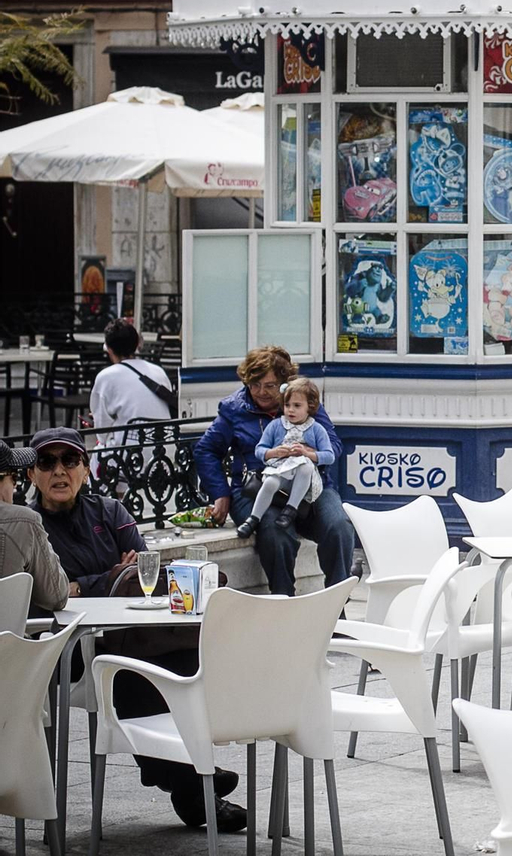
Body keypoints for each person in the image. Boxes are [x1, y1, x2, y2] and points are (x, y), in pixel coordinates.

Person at [28, 426, 246, 831]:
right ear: (32, 475)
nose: (59, 471)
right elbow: (54, 593)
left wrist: (87, 581)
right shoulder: (31, 525)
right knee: (130, 667)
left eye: (69, 460)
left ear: (85, 468)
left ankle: (189, 780)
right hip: (70, 646)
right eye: (47, 462)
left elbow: (144, 573)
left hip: (134, 634)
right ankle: (195, 780)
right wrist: (109, 576)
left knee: (178, 660)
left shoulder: (110, 511)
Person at [194, 346, 356, 596]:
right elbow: (205, 450)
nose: (261, 392)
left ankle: (336, 604)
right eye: (254, 384)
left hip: (308, 483)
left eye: (269, 385)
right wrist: (220, 493)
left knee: (339, 526)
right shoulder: (234, 409)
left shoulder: (301, 401)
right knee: (276, 534)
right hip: (257, 488)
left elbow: (333, 445)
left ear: (284, 383)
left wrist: (309, 452)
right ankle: (283, 600)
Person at [239, 378, 335, 539]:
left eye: (297, 406)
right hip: (281, 469)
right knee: (270, 483)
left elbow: (329, 455)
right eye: (287, 405)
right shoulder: (277, 425)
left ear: (310, 407)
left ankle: (291, 509)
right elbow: (260, 450)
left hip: (303, 478)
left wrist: (307, 453)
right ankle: (253, 519)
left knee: (306, 466)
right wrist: (275, 452)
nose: (291, 410)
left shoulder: (316, 429)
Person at [0, 439, 68, 612]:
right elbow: (56, 597)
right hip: (8, 637)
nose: (15, 487)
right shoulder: (23, 521)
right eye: (14, 477)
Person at [88, 318, 175, 444]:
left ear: (109, 350)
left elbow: (102, 434)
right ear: (136, 345)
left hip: (127, 456)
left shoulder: (106, 377)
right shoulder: (158, 371)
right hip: (165, 452)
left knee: (97, 451)